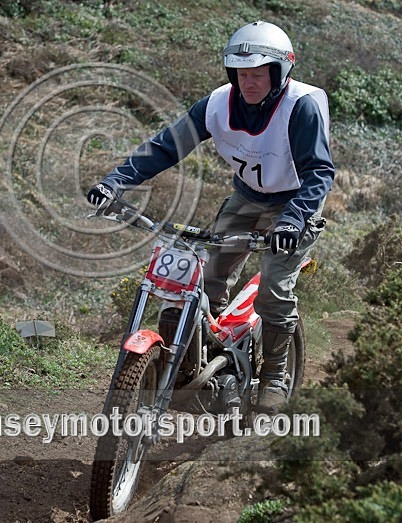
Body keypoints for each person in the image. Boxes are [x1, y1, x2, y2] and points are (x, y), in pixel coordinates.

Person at [86, 20, 334, 414]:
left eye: (257, 75)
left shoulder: (300, 107)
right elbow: (166, 146)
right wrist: (115, 183)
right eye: (240, 74)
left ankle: (273, 377)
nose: (248, 83)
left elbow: (319, 173)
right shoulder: (218, 103)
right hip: (246, 197)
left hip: (294, 203)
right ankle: (203, 366)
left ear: (280, 72)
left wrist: (293, 220)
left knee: (274, 287)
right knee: (206, 276)